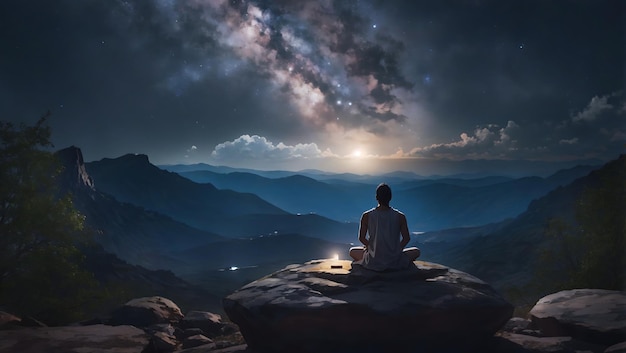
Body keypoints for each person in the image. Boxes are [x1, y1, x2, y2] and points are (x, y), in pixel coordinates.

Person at [349, 183, 420, 271]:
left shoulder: (367, 215)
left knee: (352, 251)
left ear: (376, 197)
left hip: (373, 260)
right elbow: (406, 238)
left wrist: (370, 247)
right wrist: (396, 250)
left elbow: (361, 238)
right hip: (395, 260)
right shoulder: (400, 216)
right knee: (416, 251)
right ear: (390, 197)